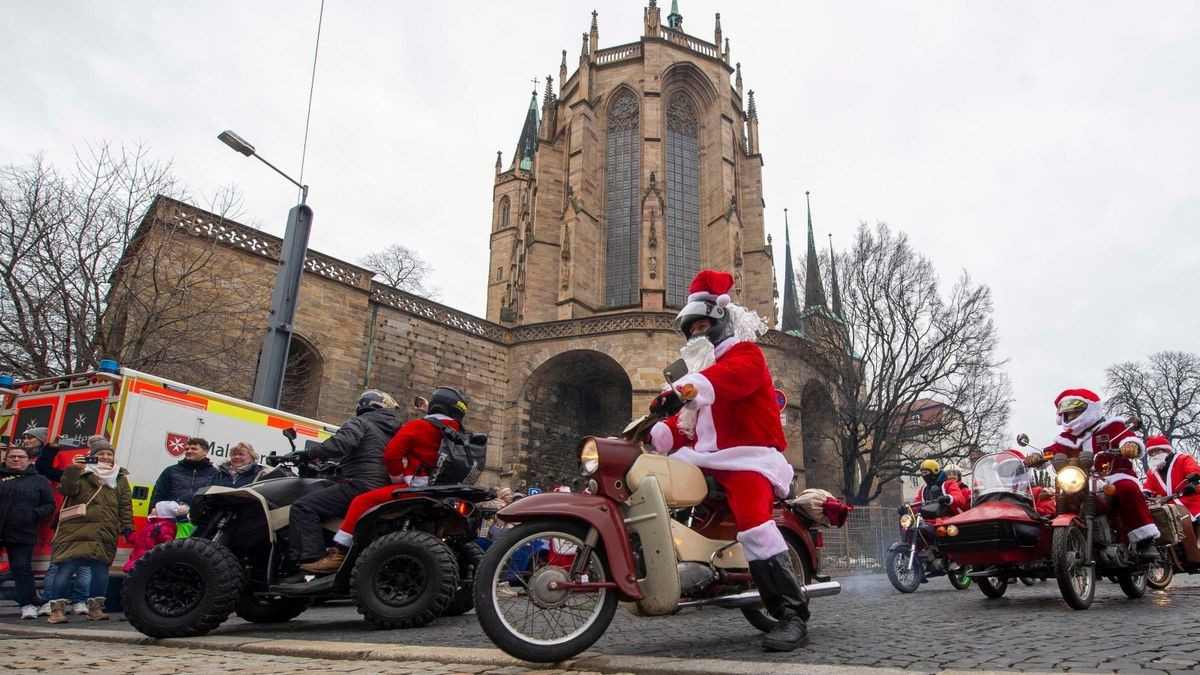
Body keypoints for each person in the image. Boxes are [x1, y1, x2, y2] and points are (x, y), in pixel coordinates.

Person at [643, 270, 808, 652]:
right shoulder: (700, 376)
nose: (697, 333)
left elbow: (726, 379)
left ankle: (792, 614)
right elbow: (686, 425)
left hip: (748, 459)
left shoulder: (746, 355)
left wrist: (688, 388)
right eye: (692, 328)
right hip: (705, 459)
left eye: (703, 325)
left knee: (754, 524)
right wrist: (653, 429)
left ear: (719, 323)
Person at [301, 387, 469, 573]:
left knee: (359, 501)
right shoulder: (458, 433)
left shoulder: (415, 427)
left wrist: (396, 477)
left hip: (415, 485)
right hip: (444, 488)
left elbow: (391, 455)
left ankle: (339, 553)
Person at [1025, 388, 1159, 558]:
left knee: (1127, 489)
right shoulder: (1066, 438)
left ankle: (1144, 540)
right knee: (1062, 498)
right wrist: (1037, 456)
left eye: (1075, 412)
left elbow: (1128, 437)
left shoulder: (1113, 426)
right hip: (1081, 480)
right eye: (1068, 414)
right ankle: (1064, 546)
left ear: (1089, 409)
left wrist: (1130, 445)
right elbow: (1052, 451)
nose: (1071, 416)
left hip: (1114, 475)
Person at [286, 390, 403, 576]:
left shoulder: (361, 422)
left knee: (303, 507)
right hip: (384, 488)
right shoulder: (394, 430)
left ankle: (312, 560)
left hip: (361, 484)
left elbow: (340, 443)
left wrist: (308, 453)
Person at [46, 441, 134, 623]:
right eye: (101, 454)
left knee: (101, 570)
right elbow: (67, 490)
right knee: (66, 568)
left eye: (109, 454)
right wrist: (73, 469)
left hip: (105, 530)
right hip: (76, 529)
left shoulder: (120, 477)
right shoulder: (83, 471)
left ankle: (95, 609)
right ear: (92, 454)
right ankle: (57, 611)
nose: (106, 457)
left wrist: (127, 527)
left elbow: (125, 505)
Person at [0, 446, 55, 619]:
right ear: (5, 459)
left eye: (21, 457)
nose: (16, 460)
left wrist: (33, 514)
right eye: (13, 457)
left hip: (23, 533)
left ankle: (28, 604)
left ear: (29, 460)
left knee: (21, 569)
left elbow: (49, 505)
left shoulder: (39, 480)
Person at [1142, 435, 1200, 524]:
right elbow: (1148, 485)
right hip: (1169, 504)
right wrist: (1145, 494)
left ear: (1166, 450)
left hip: (1190, 499)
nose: (1153, 454)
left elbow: (1194, 471)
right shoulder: (1152, 471)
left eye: (1156, 451)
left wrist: (1192, 483)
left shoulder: (1183, 459)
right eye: (1150, 453)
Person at [149, 437, 218, 506]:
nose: (189, 451)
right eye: (187, 449)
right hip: (172, 515)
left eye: (194, 449)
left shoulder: (215, 474)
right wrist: (153, 514)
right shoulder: (171, 471)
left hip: (199, 516)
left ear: (205, 452)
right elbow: (157, 496)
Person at [123, 501, 187, 571]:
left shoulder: (166, 527)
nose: (153, 509)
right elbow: (138, 539)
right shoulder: (151, 525)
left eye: (156, 508)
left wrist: (159, 536)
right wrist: (129, 535)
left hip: (148, 563)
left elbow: (168, 543)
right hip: (138, 560)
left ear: (162, 513)